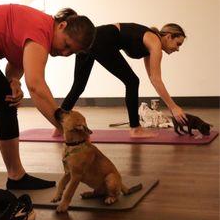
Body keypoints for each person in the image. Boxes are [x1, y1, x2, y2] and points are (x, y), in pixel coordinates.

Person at [0, 4, 95, 189]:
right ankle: (16, 177)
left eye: (72, 52)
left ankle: (16, 176)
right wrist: (65, 127)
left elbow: (16, 64)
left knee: (5, 94)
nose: (65, 53)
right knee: (5, 101)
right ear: (62, 26)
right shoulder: (40, 31)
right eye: (66, 45)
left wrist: (14, 81)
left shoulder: (38, 27)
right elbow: (36, 86)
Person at [54, 22, 187, 138]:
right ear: (169, 36)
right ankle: (135, 129)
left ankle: (58, 127)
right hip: (100, 40)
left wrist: (172, 106)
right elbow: (156, 79)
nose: (178, 49)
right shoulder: (155, 43)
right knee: (132, 81)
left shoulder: (150, 44)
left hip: (90, 39)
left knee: (78, 86)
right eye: (178, 43)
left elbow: (153, 79)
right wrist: (173, 107)